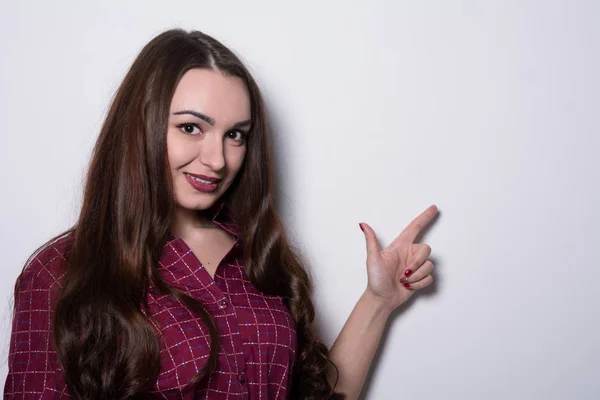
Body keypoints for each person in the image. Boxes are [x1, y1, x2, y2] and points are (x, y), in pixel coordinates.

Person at [3, 29, 438, 400]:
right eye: (191, 127)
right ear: (143, 126)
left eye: (235, 135)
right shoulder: (62, 273)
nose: (217, 159)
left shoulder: (262, 257)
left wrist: (378, 303)